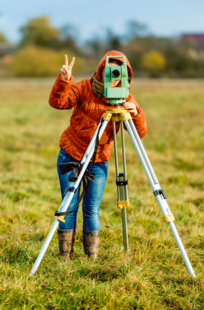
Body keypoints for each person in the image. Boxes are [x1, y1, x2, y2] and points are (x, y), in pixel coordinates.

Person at [49, 50, 147, 260]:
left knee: (91, 210)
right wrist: (64, 81)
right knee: (69, 208)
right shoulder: (85, 87)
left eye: (119, 74)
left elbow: (139, 133)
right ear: (101, 71)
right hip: (71, 156)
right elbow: (58, 102)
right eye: (110, 73)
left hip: (99, 161)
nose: (114, 79)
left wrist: (135, 112)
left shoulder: (125, 97)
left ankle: (91, 258)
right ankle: (64, 258)